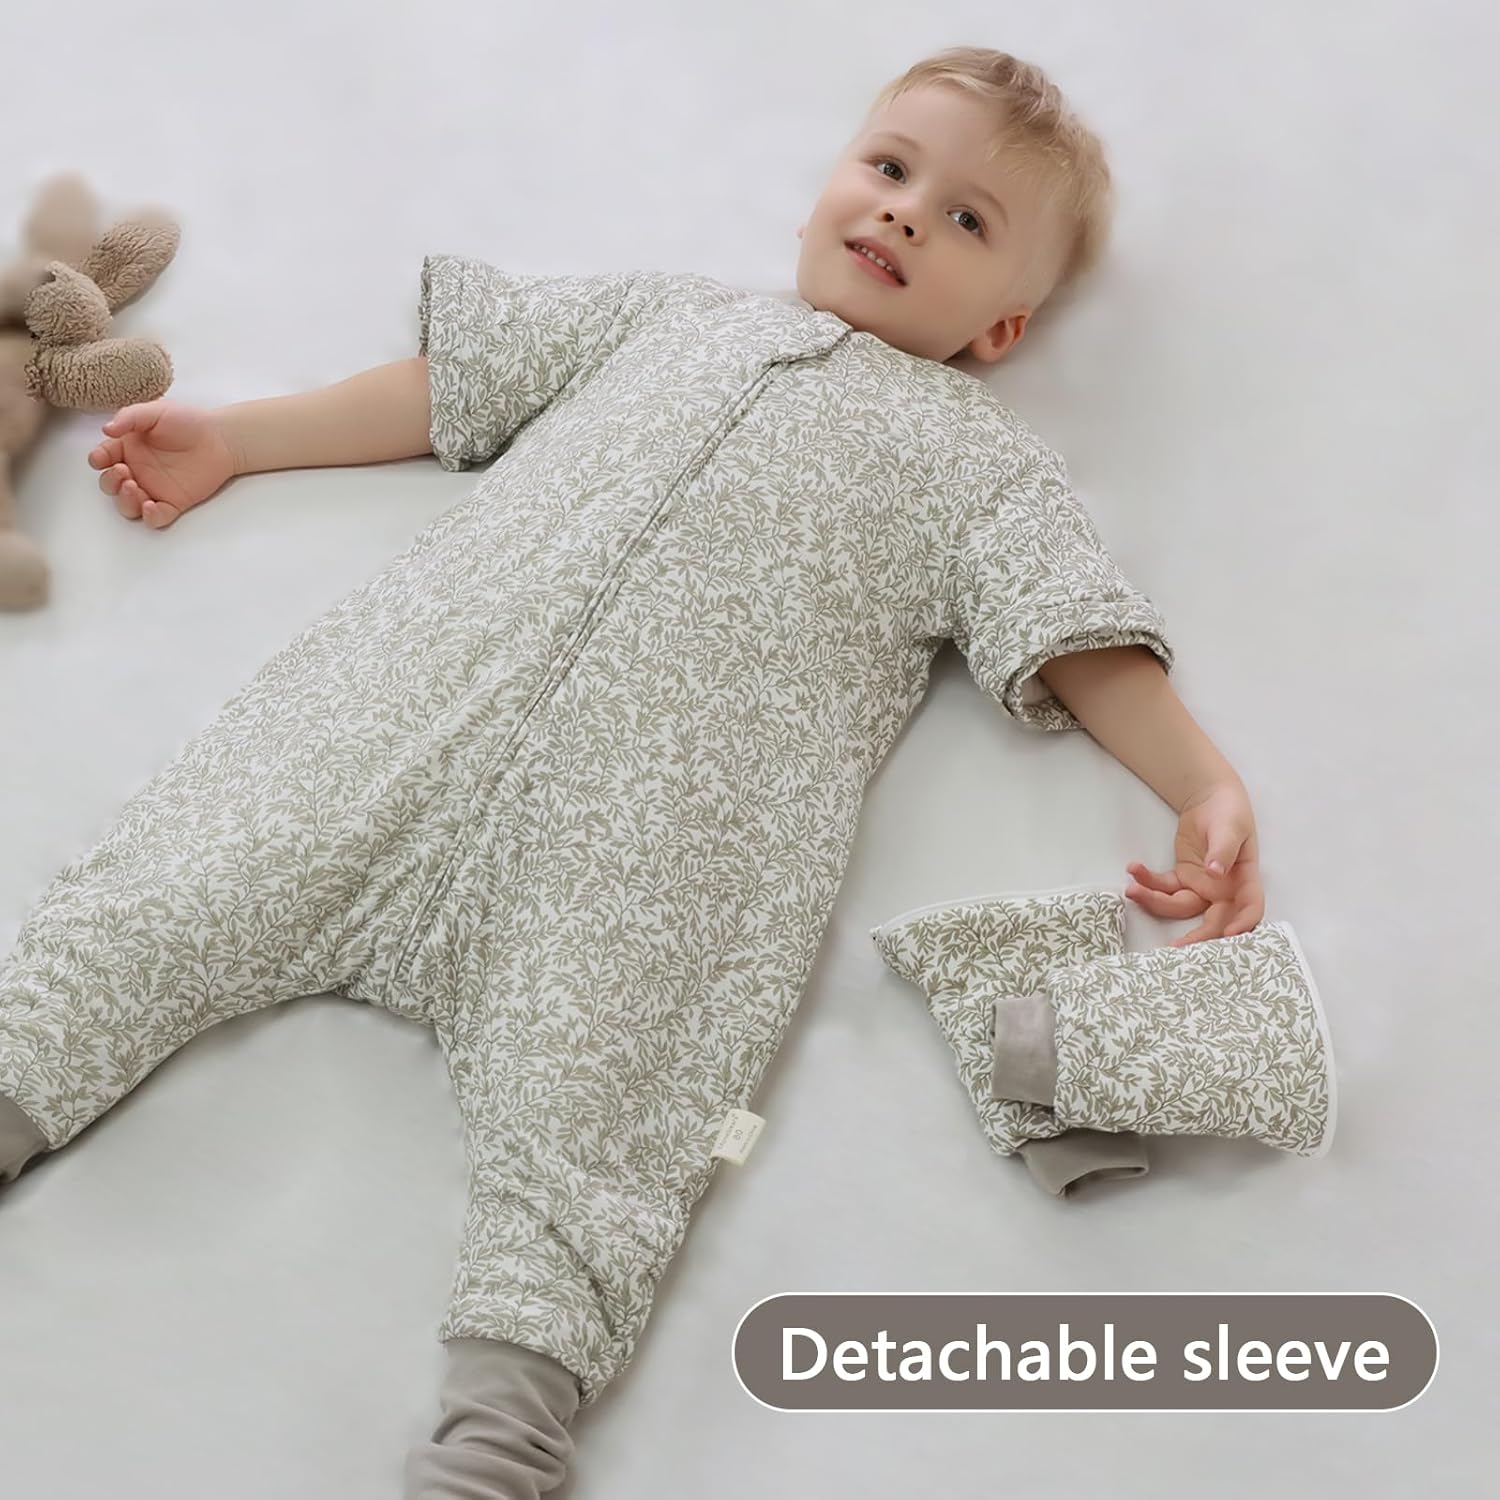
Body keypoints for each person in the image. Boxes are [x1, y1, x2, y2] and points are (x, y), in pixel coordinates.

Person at [6, 45, 1262, 1500]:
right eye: (891, 168)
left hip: (649, 863)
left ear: (1001, 329)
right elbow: (452, 390)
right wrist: (239, 440)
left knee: (603, 1125)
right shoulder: (667, 317)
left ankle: (498, 1440)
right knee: (159, 909)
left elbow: (1076, 640)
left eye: (968, 220)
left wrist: (1202, 785)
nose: (909, 212)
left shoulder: (978, 468)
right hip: (381, 731)